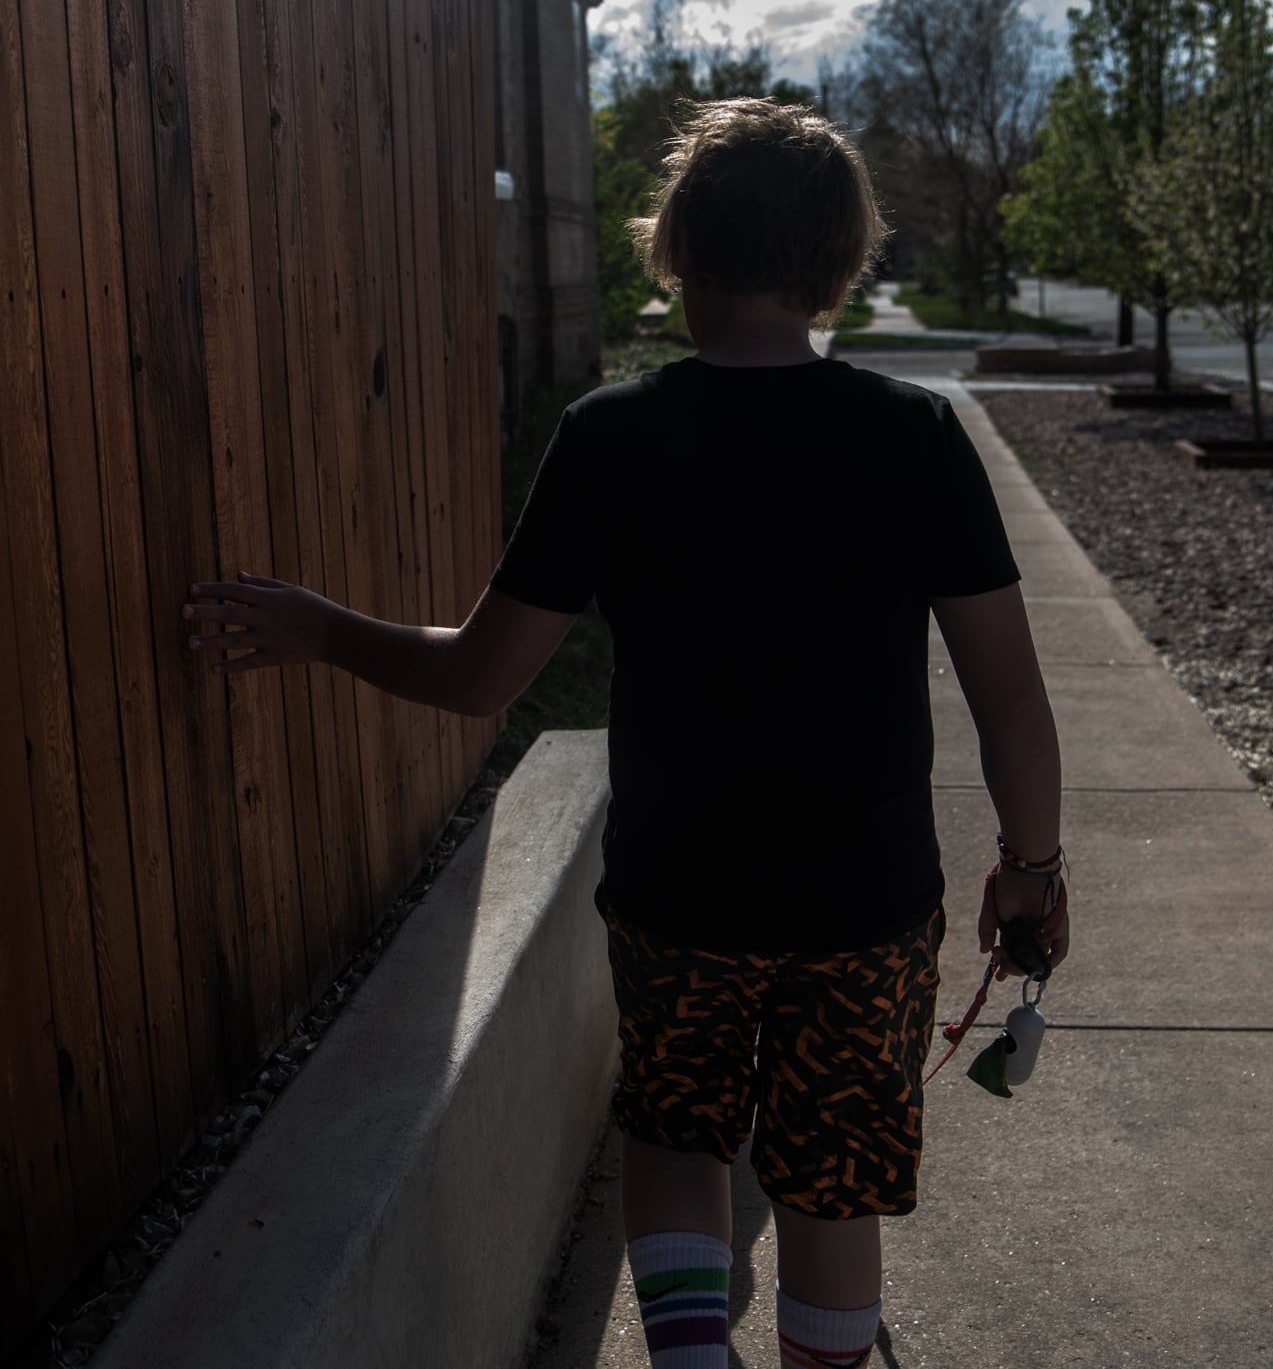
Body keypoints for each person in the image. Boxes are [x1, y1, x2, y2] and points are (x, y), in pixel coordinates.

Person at [184, 97, 1067, 1369]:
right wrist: (1029, 871)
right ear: (836, 268)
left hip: (680, 891)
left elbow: (483, 677)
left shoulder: (614, 434)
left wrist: (322, 629)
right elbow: (1010, 699)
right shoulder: (913, 436)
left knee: (677, 1135)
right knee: (830, 1183)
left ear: (680, 251)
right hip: (864, 899)